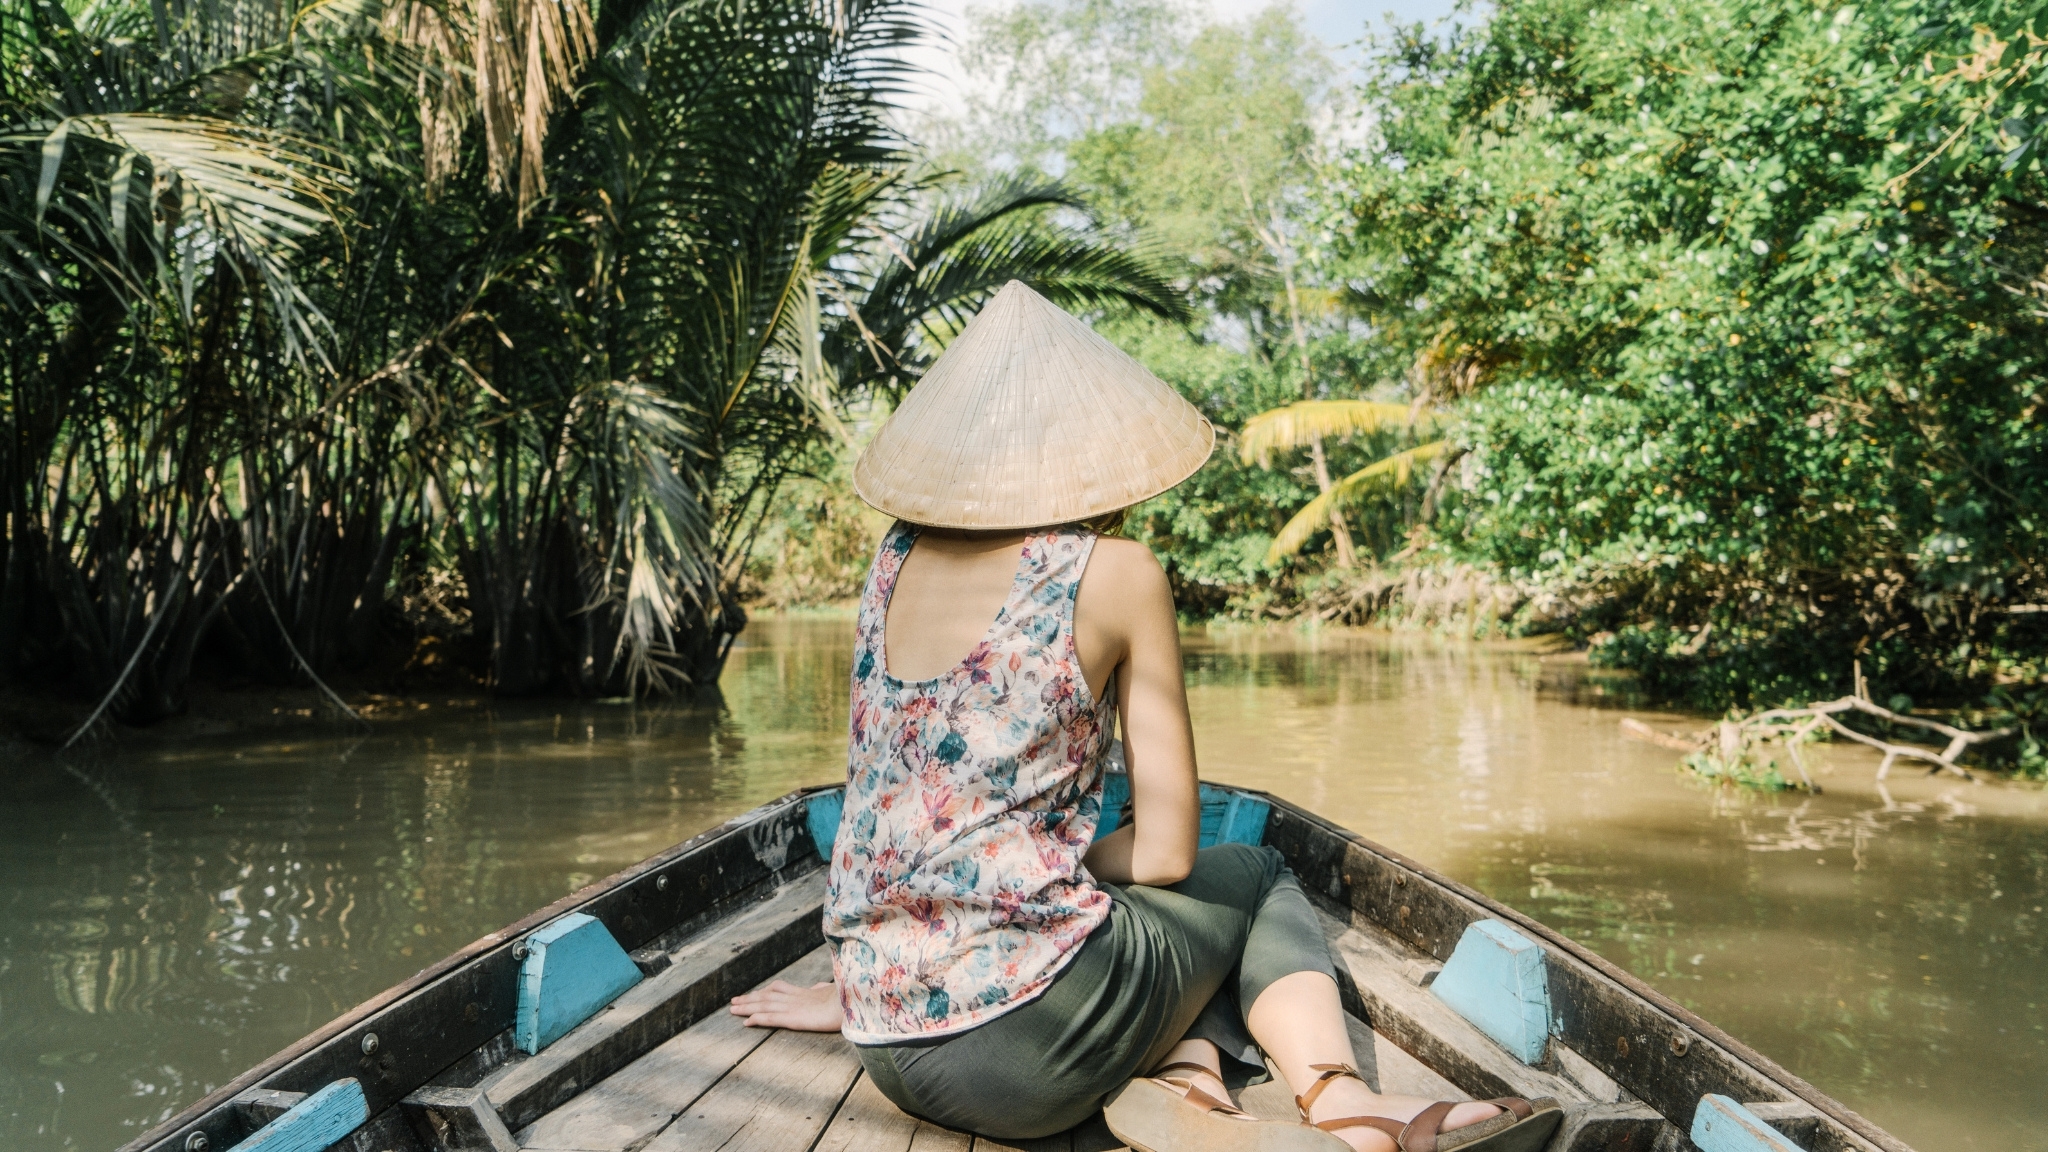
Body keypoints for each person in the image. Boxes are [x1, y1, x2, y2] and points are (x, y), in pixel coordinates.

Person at [730, 282, 1560, 1152]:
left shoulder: (891, 559)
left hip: (884, 1034)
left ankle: (1190, 1079)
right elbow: (1165, 854)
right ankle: (1343, 1099)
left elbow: (889, 795)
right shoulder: (1114, 572)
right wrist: (1046, 862)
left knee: (1151, 921)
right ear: (1089, 449)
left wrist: (984, 872)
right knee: (1254, 873)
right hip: (1026, 1048)